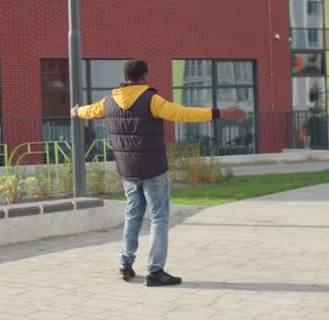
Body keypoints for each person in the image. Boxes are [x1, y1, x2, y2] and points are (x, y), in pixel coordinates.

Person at [71, 59, 245, 287]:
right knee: (159, 218)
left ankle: (125, 264)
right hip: (152, 169)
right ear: (143, 76)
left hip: (128, 171)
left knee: (132, 215)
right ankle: (155, 271)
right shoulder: (151, 99)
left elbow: (88, 111)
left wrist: (76, 111)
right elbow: (183, 114)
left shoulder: (108, 101)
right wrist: (220, 113)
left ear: (125, 77)